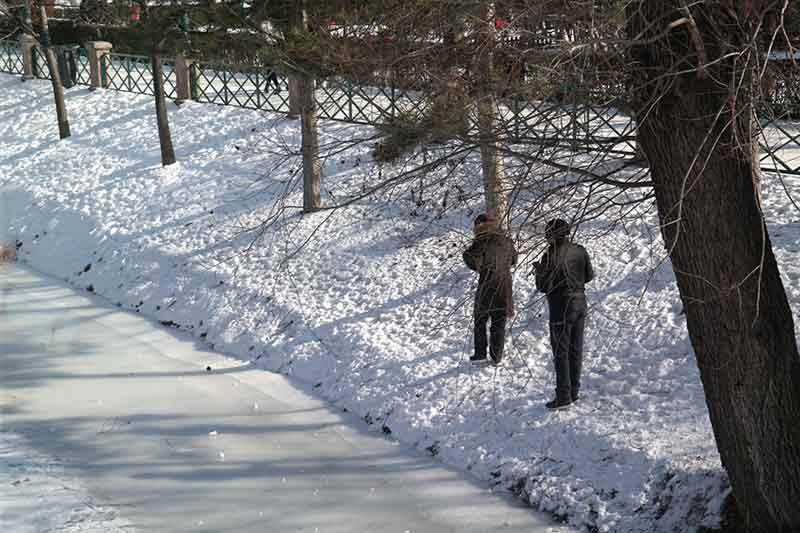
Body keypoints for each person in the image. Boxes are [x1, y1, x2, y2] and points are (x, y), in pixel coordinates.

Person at [534, 219, 594, 409]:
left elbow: (544, 286)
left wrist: (539, 272)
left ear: (550, 235)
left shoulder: (550, 255)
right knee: (576, 349)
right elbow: (589, 276)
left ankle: (563, 397)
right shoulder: (580, 249)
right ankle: (573, 392)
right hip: (580, 301)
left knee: (561, 351)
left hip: (561, 305)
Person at [463, 214, 518, 366]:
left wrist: (478, 267)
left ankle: (480, 353)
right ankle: (496, 356)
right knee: (499, 321)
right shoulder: (506, 240)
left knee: (480, 319)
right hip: (504, 285)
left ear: (479, 225)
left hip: (487, 283)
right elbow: (514, 259)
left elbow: (468, 256)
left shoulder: (481, 239)